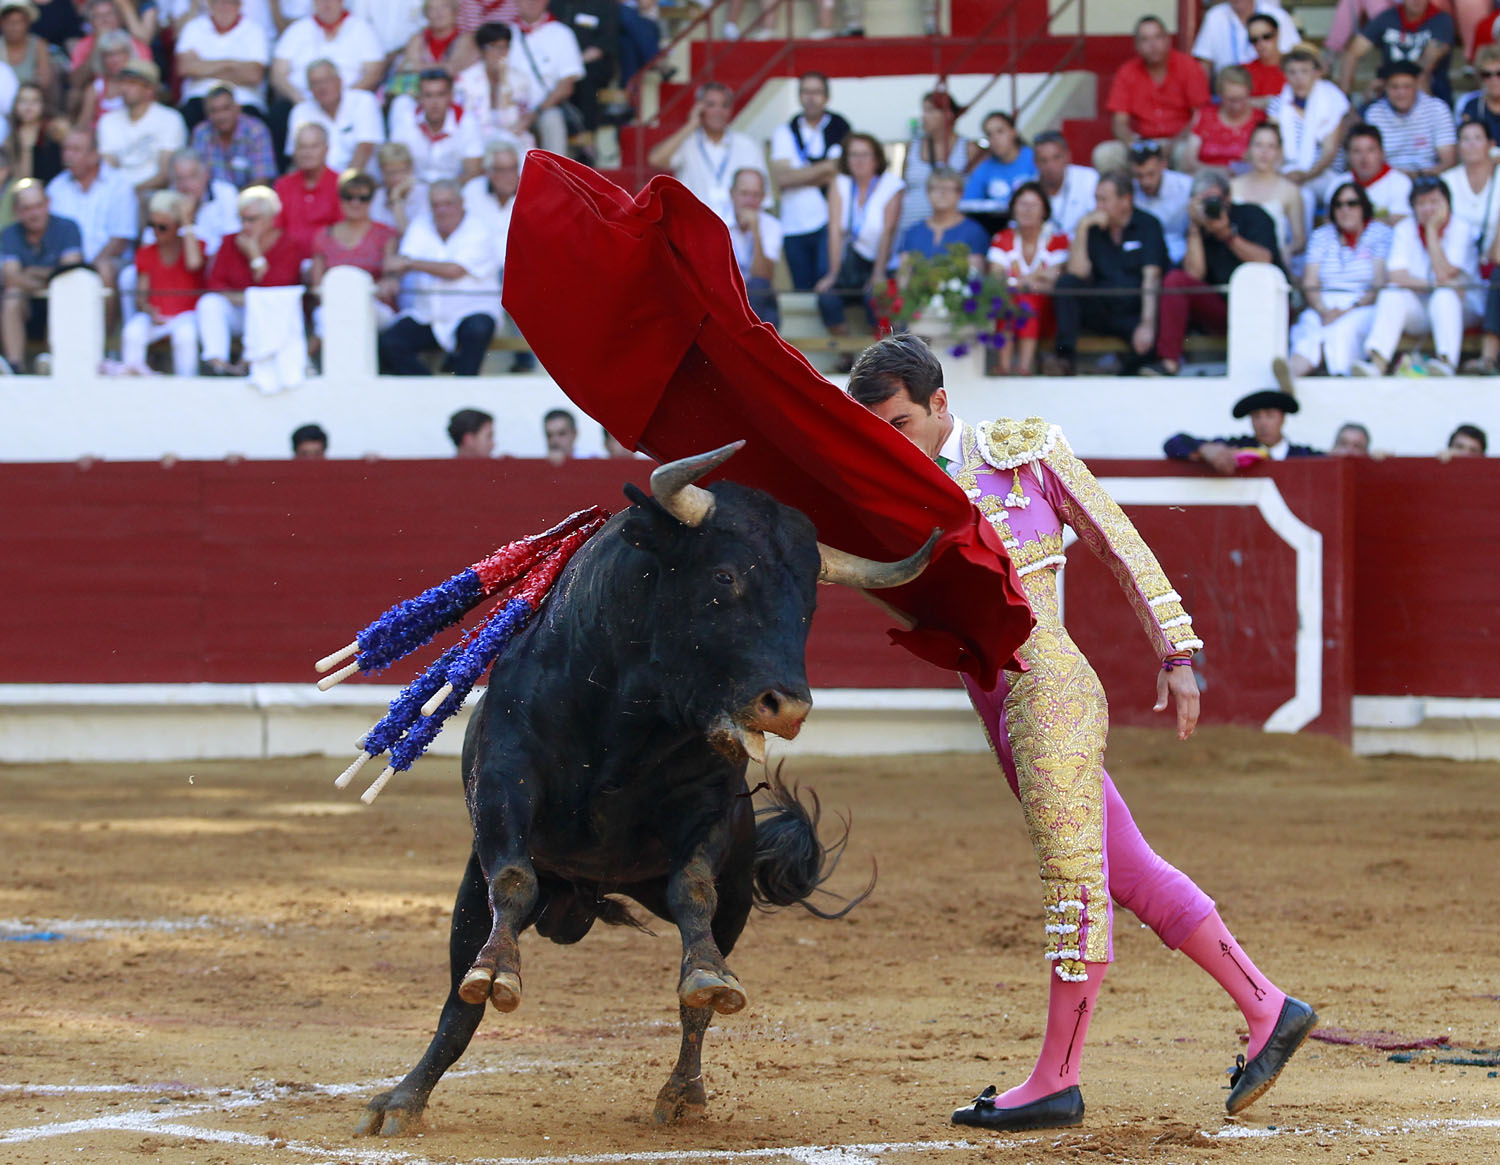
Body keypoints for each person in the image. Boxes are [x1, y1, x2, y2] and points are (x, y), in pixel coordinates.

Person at [848, 336, 1316, 1134]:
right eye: (875, 429)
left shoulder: (1023, 450)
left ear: (939, 405)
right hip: (1003, 713)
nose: (891, 441)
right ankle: (1269, 1005)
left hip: (1052, 692)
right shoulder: (891, 489)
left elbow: (1117, 541)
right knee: (1128, 869)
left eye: (900, 422)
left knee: (1074, 880)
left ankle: (1057, 1078)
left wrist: (1177, 654)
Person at [1155, 168, 1279, 375]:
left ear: (1228, 198)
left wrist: (1225, 234)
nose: (1210, 207)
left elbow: (1264, 260)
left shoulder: (1253, 215)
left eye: (1213, 200)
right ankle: (1169, 363)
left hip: (1262, 307)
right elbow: (1193, 276)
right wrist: (1194, 227)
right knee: (1175, 280)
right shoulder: (1199, 227)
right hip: (1221, 308)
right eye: (1203, 202)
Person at [1355, 176, 1481, 375]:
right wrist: (1432, 284)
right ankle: (1377, 362)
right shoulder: (1405, 228)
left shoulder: (1461, 228)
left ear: (1448, 204)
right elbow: (1396, 276)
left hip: (1463, 307)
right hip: (1422, 305)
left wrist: (1431, 231)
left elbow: (1445, 273)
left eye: (1434, 202)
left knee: (1445, 295)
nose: (1428, 209)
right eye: (1421, 203)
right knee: (1392, 293)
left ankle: (1446, 363)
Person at [1047, 173, 1165, 377]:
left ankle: (1124, 371)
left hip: (1135, 310)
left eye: (1104, 200)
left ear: (1125, 200)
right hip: (1102, 306)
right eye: (1096, 199)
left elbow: (1151, 277)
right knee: (1066, 283)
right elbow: (1077, 271)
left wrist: (1146, 324)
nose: (1098, 206)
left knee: (1148, 348)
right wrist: (1083, 228)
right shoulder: (1093, 228)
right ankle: (1064, 358)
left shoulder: (1148, 224)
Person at [379, 178, 501, 376]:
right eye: (436, 205)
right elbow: (403, 259)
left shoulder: (479, 230)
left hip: (471, 312)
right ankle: (430, 388)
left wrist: (410, 264)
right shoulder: (421, 225)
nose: (442, 210)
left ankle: (463, 391)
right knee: (390, 342)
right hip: (428, 315)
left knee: (477, 330)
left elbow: (454, 271)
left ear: (461, 203)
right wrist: (392, 277)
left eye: (448, 203)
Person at [197, 184, 309, 376]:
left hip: (274, 315)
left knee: (264, 307)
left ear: (271, 219)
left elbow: (276, 291)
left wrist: (255, 256)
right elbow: (215, 284)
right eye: (242, 219)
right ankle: (218, 365)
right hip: (241, 311)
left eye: (252, 220)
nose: (245, 225)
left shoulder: (289, 245)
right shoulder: (230, 242)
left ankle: (249, 364)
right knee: (209, 303)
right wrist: (248, 300)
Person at [1285, 180, 1392, 376]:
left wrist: (1347, 310)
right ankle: (1291, 375)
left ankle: (1340, 376)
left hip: (1362, 306)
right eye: (1338, 205)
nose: (1345, 210)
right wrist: (1322, 310)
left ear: (1364, 207)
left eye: (1352, 204)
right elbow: (1310, 281)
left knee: (1342, 330)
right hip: (1324, 305)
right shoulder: (1321, 236)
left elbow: (1378, 283)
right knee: (1309, 327)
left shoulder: (1380, 234)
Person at [816, 131, 902, 354]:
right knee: (827, 297)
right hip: (849, 263)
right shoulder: (841, 183)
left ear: (877, 159)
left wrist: (878, 273)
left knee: (876, 297)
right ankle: (847, 355)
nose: (859, 160)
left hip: (881, 262)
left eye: (865, 154)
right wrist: (833, 273)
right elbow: (834, 230)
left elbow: (887, 231)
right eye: (853, 154)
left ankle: (879, 358)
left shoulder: (892, 185)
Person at [767, 71, 849, 294]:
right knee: (802, 293)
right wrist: (825, 168)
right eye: (806, 92)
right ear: (799, 96)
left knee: (829, 289)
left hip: (828, 221)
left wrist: (799, 174)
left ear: (826, 97)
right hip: (793, 225)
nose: (811, 97)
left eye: (817, 92)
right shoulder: (785, 131)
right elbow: (782, 179)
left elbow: (843, 169)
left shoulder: (840, 128)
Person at [270, 0, 384, 157]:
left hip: (349, 97)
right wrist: (300, 99)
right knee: (280, 112)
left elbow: (374, 71)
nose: (327, 4)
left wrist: (342, 97)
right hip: (306, 100)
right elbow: (278, 74)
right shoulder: (297, 30)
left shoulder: (361, 28)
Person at [1101, 16, 1210, 173]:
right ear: (1137, 46)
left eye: (1158, 37)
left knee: (1185, 153)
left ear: (1168, 40)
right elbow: (1119, 122)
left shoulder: (1188, 66)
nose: (1153, 45)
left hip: (1179, 140)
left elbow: (1199, 117)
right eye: (1145, 40)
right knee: (1105, 154)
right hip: (1141, 141)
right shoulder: (1127, 72)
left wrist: (1173, 144)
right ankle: (1121, 197)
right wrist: (1133, 144)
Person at [648, 81, 765, 225]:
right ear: (699, 108)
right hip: (694, 226)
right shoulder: (687, 142)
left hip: (737, 230)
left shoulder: (748, 145)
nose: (718, 111)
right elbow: (655, 160)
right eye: (711, 105)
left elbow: (761, 197)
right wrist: (691, 124)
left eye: (725, 105)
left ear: (731, 110)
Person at [986, 180, 1068, 376]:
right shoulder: (1002, 238)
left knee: (1024, 300)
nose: (1027, 210)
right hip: (1013, 305)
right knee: (1013, 299)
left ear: (1045, 210)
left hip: (1048, 313)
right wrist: (1032, 280)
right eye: (1022, 204)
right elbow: (996, 277)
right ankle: (1008, 367)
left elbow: (1054, 277)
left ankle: (1021, 366)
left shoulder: (1058, 240)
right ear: (1013, 208)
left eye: (1033, 205)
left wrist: (1015, 280)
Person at [120, 189, 204, 376]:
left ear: (176, 226)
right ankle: (132, 383)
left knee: (185, 336)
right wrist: (150, 312)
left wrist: (187, 223)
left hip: (188, 317)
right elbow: (142, 297)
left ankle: (188, 386)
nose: (156, 231)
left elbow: (194, 263)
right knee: (132, 332)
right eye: (152, 225)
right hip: (157, 318)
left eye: (163, 227)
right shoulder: (146, 252)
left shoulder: (194, 245)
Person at [45, 127, 135, 299]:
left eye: (75, 150)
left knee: (104, 269)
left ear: (94, 155)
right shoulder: (56, 188)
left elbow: (120, 240)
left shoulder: (119, 185)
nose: (67, 156)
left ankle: (104, 327)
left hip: (109, 260)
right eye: (65, 149)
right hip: (65, 262)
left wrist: (88, 269)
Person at [0, 177, 79, 372]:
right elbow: (10, 276)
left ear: (48, 204)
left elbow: (71, 273)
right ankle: (15, 366)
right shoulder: (9, 234)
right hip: (26, 308)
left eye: (38, 206)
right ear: (17, 212)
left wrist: (31, 272)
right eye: (27, 208)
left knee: (63, 296)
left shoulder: (67, 228)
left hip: (60, 303)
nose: (34, 213)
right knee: (11, 297)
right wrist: (51, 277)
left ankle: (55, 362)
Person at [309, 169, 398, 333]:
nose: (355, 203)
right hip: (334, 304)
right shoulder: (323, 235)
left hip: (373, 304)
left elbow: (389, 280)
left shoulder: (385, 235)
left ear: (371, 200)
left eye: (363, 198)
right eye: (348, 197)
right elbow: (317, 286)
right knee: (328, 318)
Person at [1272, 43, 1349, 228]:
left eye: (1305, 71)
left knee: (1305, 196)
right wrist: (1282, 173)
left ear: (1317, 72)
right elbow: (1274, 146)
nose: (1299, 78)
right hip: (1287, 171)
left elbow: (1329, 152)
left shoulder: (1332, 99)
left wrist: (1305, 176)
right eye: (1292, 72)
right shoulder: (1278, 104)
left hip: (1325, 173)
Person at [1164, 386, 1323, 470]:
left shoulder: (1303, 455)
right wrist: (1205, 449)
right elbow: (1174, 442)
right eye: (1256, 416)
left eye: (1269, 415)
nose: (1263, 423)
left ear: (1282, 419)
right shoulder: (1237, 447)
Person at [1337, 0, 1455, 106]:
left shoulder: (1441, 20)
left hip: (1431, 89)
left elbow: (1426, 63)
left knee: (1421, 79)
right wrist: (1345, 100)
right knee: (1370, 96)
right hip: (1390, 85)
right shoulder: (1388, 17)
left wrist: (1388, 80)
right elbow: (1352, 53)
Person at [174, 0, 270, 130]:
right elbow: (184, 67)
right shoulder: (193, 27)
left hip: (243, 101)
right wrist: (231, 64)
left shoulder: (255, 30)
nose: (224, 7)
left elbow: (254, 75)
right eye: (218, 2)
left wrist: (202, 66)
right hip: (199, 100)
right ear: (210, 5)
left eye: (229, 2)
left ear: (239, 5)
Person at [97, 59, 188, 196]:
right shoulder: (108, 121)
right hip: (116, 195)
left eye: (132, 83)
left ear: (149, 90)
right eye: (122, 82)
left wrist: (130, 194)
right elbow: (108, 169)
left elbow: (165, 175)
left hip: (155, 193)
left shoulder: (170, 119)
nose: (124, 88)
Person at [507, 0, 585, 156]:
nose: (532, 2)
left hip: (545, 109)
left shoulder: (562, 33)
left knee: (552, 120)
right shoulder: (505, 34)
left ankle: (556, 176)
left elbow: (566, 85)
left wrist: (534, 113)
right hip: (510, 107)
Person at [386, 0, 478, 125]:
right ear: (426, 15)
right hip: (422, 95)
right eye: (432, 9)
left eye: (444, 7)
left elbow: (452, 68)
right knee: (402, 102)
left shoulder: (465, 38)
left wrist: (419, 66)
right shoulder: (418, 38)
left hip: (456, 95)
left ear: (454, 11)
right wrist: (441, 67)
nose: (438, 13)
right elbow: (408, 66)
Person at [287, 58, 384, 175]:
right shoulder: (300, 110)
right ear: (309, 88)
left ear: (339, 81)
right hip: (319, 185)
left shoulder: (364, 101)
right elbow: (298, 155)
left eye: (326, 81)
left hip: (360, 182)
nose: (321, 87)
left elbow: (365, 148)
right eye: (315, 83)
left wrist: (345, 185)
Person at [898, 90, 973, 238]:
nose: (924, 117)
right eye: (924, 111)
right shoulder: (912, 147)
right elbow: (903, 187)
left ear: (948, 114)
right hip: (910, 230)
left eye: (930, 111)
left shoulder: (968, 148)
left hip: (952, 233)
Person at [1363, 61, 1456, 180]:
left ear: (1417, 85)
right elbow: (1372, 162)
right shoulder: (1374, 113)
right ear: (1385, 87)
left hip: (1431, 180)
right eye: (1394, 87)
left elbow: (1448, 161)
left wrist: (1419, 176)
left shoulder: (1437, 109)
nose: (1401, 93)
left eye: (1407, 86)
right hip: (1388, 181)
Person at [391, 67, 483, 186]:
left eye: (440, 95)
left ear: (450, 96)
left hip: (454, 191)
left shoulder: (467, 121)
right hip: (413, 189)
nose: (434, 102)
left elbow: (472, 172)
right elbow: (394, 164)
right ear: (420, 97)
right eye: (428, 95)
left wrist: (442, 193)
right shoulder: (406, 119)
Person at [1231, 123, 1305, 266]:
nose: (1264, 152)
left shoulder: (1290, 190)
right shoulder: (1232, 186)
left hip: (1271, 262)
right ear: (1249, 148)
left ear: (1279, 151)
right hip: (1234, 259)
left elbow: (1299, 240)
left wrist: (1285, 252)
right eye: (1259, 145)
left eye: (1271, 146)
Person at [454, 22, 535, 153]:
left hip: (513, 136)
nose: (501, 53)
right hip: (476, 137)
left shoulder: (520, 79)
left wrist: (504, 80)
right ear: (482, 50)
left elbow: (522, 116)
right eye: (494, 47)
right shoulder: (464, 80)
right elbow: (460, 118)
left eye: (505, 47)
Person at [189, 85, 278, 191]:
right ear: (207, 114)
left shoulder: (256, 130)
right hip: (212, 200)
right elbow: (195, 175)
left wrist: (235, 200)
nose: (220, 116)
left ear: (238, 108)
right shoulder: (201, 133)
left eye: (225, 108)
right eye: (214, 111)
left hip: (249, 198)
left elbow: (263, 178)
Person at [895, 166, 989, 265]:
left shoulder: (974, 232)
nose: (942, 193)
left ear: (960, 193)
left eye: (948, 188)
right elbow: (904, 275)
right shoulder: (913, 232)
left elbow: (975, 275)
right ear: (927, 192)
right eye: (936, 188)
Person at [726, 167, 782, 329]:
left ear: (763, 197)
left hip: (757, 298)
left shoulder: (772, 225)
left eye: (755, 195)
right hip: (728, 297)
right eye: (744, 194)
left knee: (759, 287)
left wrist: (756, 232)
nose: (750, 201)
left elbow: (764, 275)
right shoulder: (715, 221)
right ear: (732, 194)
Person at [273, 122, 342, 250]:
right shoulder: (283, 185)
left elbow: (344, 232)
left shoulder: (340, 184)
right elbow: (277, 230)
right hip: (289, 259)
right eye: (302, 147)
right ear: (295, 151)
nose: (307, 153)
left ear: (326, 149)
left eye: (314, 146)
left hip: (328, 260)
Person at [1184, 66, 1265, 173]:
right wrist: (1219, 172)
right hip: (1207, 179)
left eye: (1242, 98)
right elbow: (1189, 160)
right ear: (1220, 95)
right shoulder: (1205, 115)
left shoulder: (1260, 120)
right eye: (1231, 100)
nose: (1237, 106)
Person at [1328, 122, 1413, 221]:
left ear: (1382, 153)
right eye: (1357, 151)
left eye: (1370, 150)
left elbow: (1400, 220)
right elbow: (1330, 221)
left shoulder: (1400, 182)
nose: (1364, 158)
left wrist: (1354, 224)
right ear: (1348, 156)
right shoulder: (1337, 183)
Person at [1192, 0, 1298, 76]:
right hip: (1228, 88)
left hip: (1271, 85)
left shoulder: (1278, 16)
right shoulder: (1215, 16)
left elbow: (1294, 55)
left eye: (1266, 37)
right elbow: (1204, 62)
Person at [1130, 138, 1193, 265]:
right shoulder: (1129, 189)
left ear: (1163, 165)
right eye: (1139, 175)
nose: (1145, 182)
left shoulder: (1186, 187)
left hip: (1178, 254)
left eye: (1151, 174)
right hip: (1141, 257)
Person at [1440, 119, 1497, 258]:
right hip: (1454, 258)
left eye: (1478, 138)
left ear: (1490, 145)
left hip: (1494, 260)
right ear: (1458, 147)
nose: (1472, 144)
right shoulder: (1446, 180)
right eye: (1465, 139)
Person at [961, 111, 1037, 211]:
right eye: (989, 134)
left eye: (1000, 131)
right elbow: (967, 204)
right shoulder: (984, 168)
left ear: (1014, 132)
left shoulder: (1035, 158)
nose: (995, 139)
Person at [1033, 130, 1097, 235]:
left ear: (1067, 157)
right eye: (1043, 160)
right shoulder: (1028, 189)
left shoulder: (1089, 179)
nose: (1050, 166)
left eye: (1056, 158)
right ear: (1035, 162)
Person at [0, 0, 56, 107]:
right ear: (1, 23)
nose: (13, 27)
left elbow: (44, 82)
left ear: (27, 23)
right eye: (9, 22)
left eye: (18, 22)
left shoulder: (39, 45)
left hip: (32, 105)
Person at [8, 81, 61, 183]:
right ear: (15, 105)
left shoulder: (55, 130)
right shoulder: (10, 134)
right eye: (23, 101)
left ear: (43, 104)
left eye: (35, 101)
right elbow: (21, 179)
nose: (28, 106)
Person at [372, 141, 424, 233]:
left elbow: (407, 236)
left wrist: (396, 199)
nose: (397, 178)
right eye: (391, 173)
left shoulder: (422, 194)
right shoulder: (378, 195)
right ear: (382, 172)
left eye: (402, 171)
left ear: (411, 169)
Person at [1456, 46, 1500, 142]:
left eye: (1499, 73)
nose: (1494, 79)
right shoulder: (1471, 107)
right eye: (1487, 74)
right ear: (1480, 77)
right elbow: (1466, 145)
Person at [1243, 13, 1288, 103]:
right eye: (1254, 40)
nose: (1261, 43)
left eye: (1266, 36)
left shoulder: (1296, 67)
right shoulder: (1244, 71)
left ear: (1277, 34)